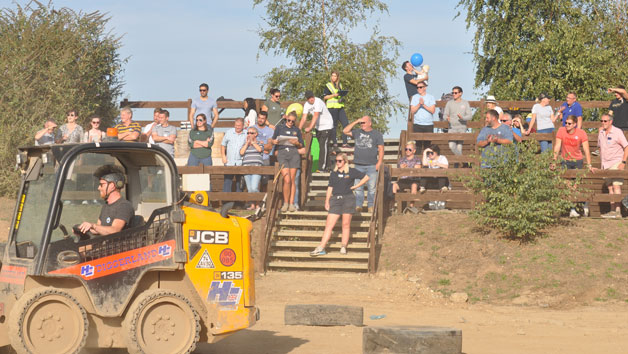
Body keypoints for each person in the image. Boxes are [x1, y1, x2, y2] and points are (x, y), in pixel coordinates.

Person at [309, 153, 369, 256]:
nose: (337, 162)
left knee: (345, 225)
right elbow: (330, 187)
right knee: (329, 225)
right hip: (336, 200)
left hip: (348, 199)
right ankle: (321, 247)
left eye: (340, 161)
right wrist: (327, 201)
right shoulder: (334, 173)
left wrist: (356, 186)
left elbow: (366, 177)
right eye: (336, 161)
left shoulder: (351, 171)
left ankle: (343, 246)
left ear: (345, 161)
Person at [553, 115, 593, 217]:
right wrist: (553, 161)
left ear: (575, 124)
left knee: (574, 185)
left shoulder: (581, 133)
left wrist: (589, 164)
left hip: (577, 161)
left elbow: (586, 150)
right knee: (569, 185)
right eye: (566, 123)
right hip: (565, 160)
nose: (567, 125)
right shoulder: (561, 131)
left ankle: (579, 206)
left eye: (569, 123)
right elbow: (557, 146)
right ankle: (575, 208)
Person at [343, 116, 384, 212]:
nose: (362, 124)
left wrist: (379, 162)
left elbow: (381, 149)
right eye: (361, 123)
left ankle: (371, 206)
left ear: (370, 123)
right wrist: (356, 121)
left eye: (364, 122)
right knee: (358, 187)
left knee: (372, 187)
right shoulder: (357, 132)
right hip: (358, 165)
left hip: (372, 165)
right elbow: (345, 131)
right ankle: (358, 205)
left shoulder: (377, 134)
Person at [78, 165, 134, 236]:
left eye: (101, 185)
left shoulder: (124, 206)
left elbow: (115, 230)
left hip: (119, 246)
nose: (99, 188)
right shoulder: (106, 205)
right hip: (105, 245)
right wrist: (82, 229)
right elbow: (98, 229)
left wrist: (93, 226)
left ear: (112, 186)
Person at [271, 111, 304, 212]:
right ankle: (285, 203)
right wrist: (274, 141)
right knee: (287, 179)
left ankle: (291, 203)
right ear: (286, 119)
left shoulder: (296, 130)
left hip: (293, 153)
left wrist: (297, 143)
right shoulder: (279, 128)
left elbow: (301, 145)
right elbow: (272, 140)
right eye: (289, 120)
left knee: (293, 179)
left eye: (293, 121)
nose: (290, 122)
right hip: (282, 153)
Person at [597, 113, 628, 218]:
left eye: (605, 121)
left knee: (616, 185)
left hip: (616, 162)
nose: (603, 123)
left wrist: (623, 162)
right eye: (601, 121)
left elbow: (626, 147)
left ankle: (618, 211)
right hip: (605, 164)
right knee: (610, 187)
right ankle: (612, 210)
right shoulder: (601, 132)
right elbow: (600, 147)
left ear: (610, 121)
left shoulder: (617, 132)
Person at [300, 90, 334, 172]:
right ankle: (329, 166)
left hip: (327, 125)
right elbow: (304, 117)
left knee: (323, 146)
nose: (311, 99)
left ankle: (321, 167)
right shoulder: (306, 105)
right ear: (307, 99)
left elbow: (315, 116)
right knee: (323, 146)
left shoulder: (318, 102)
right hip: (319, 127)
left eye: (312, 97)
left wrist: (310, 127)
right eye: (309, 98)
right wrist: (299, 128)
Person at [392, 142, 422, 212]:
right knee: (394, 185)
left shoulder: (417, 159)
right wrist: (401, 169)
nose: (407, 151)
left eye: (410, 149)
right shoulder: (401, 159)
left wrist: (407, 168)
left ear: (414, 151)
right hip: (403, 180)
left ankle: (411, 206)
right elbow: (398, 172)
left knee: (414, 186)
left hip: (413, 179)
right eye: (406, 149)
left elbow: (417, 170)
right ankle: (393, 205)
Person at [324, 71, 350, 147]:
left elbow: (339, 95)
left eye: (335, 76)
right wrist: (333, 95)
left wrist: (342, 96)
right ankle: (335, 142)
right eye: (332, 76)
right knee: (334, 125)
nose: (333, 77)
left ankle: (345, 142)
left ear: (337, 77)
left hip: (340, 107)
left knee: (346, 123)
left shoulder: (340, 85)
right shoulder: (328, 85)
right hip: (332, 108)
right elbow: (325, 97)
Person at [444, 86, 472, 156]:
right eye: (452, 93)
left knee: (459, 148)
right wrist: (447, 118)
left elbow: (470, 116)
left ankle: (457, 165)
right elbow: (444, 115)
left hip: (462, 127)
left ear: (460, 93)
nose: (454, 94)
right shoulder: (449, 103)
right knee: (451, 146)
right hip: (452, 128)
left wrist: (462, 118)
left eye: (455, 93)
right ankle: (463, 161)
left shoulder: (465, 103)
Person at [240, 127, 264, 210]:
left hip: (257, 167)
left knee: (254, 187)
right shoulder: (244, 144)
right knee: (250, 189)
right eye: (248, 133)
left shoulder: (259, 143)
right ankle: (253, 205)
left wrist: (253, 143)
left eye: (251, 133)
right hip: (247, 168)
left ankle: (259, 203)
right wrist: (247, 143)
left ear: (256, 134)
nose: (249, 134)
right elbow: (241, 152)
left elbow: (260, 149)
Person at [221, 118, 247, 193]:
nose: (237, 127)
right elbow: (223, 144)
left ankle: (239, 202)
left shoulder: (246, 133)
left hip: (240, 162)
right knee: (227, 182)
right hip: (229, 161)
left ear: (243, 126)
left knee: (240, 183)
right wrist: (223, 156)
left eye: (239, 126)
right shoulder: (229, 132)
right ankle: (226, 201)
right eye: (236, 125)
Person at [410, 82, 436, 153]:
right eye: (417, 87)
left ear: (425, 87)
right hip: (417, 124)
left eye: (420, 87)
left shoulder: (431, 97)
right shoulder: (415, 97)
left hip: (428, 124)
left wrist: (423, 105)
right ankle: (417, 163)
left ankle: (427, 163)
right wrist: (419, 104)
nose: (419, 89)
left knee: (427, 145)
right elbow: (412, 111)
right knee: (418, 145)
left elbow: (432, 110)